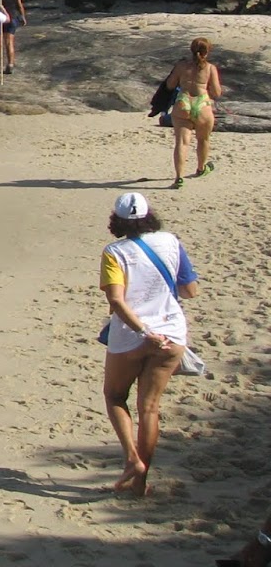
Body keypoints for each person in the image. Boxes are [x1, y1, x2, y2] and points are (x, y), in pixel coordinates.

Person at [99, 191, 199, 499]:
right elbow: (190, 290)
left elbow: (116, 300)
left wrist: (143, 329)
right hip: (171, 334)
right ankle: (141, 484)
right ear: (149, 216)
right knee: (150, 408)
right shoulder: (171, 242)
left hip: (132, 335)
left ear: (117, 220)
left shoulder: (114, 252)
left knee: (115, 395)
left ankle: (132, 459)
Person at [164, 37, 223, 188]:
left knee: (182, 143)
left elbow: (170, 85)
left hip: (183, 103)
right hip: (202, 104)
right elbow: (216, 92)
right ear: (207, 51)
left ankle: (179, 178)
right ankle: (201, 168)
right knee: (203, 139)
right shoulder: (210, 68)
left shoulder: (181, 65)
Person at [0, 0, 28, 74]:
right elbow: (19, 5)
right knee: (9, 42)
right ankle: (10, 64)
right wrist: (23, 17)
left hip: (0, 19)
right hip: (13, 18)